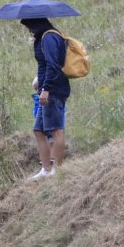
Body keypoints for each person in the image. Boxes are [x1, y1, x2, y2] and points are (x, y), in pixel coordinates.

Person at [21, 17, 70, 179]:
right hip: (47, 89)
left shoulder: (49, 37)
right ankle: (46, 169)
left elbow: (53, 65)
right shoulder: (44, 37)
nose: (29, 30)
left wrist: (46, 89)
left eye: (30, 26)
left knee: (56, 129)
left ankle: (57, 169)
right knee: (39, 130)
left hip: (53, 90)